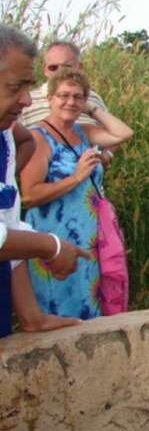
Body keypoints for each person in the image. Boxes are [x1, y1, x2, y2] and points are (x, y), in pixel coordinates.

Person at [21, 68, 133, 319]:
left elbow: (124, 133)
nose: (70, 102)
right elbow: (29, 195)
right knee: (59, 302)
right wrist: (77, 177)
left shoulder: (84, 131)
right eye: (63, 96)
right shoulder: (39, 138)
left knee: (89, 301)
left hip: (90, 236)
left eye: (78, 97)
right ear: (50, 99)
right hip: (55, 235)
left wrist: (92, 109)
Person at [0, 25, 89, 335]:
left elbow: (8, 224)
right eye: (15, 87)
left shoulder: (6, 137)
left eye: (29, 86)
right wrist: (50, 245)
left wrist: (32, 317)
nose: (27, 101)